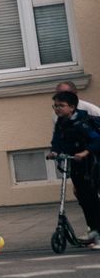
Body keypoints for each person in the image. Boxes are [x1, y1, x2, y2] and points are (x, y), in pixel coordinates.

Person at [48, 90, 100, 247]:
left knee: (92, 197)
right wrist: (54, 151)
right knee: (83, 197)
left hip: (91, 163)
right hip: (75, 163)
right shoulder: (61, 122)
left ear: (72, 107)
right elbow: (57, 139)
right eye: (55, 106)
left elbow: (97, 140)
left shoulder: (81, 122)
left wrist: (85, 152)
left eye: (61, 106)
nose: (57, 109)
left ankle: (98, 228)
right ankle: (94, 228)